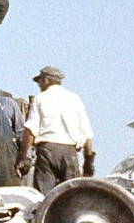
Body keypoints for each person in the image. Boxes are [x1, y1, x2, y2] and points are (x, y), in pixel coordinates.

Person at [16, 65, 95, 195]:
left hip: (47, 151)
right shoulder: (74, 98)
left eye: (40, 82)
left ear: (46, 80)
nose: (39, 85)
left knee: (43, 197)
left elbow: (30, 130)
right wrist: (88, 161)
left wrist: (22, 156)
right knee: (72, 195)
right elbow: (86, 133)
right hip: (69, 152)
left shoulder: (40, 98)